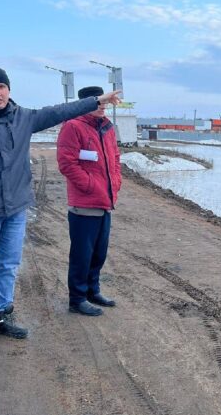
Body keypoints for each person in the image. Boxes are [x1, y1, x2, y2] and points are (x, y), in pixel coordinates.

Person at [0, 66, 121, 350]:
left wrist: (96, 101)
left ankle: (0, 316)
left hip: (16, 208)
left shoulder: (23, 118)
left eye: (2, 87)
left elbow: (59, 111)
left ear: (9, 90)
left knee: (9, 265)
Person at [56, 86, 122, 316]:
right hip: (84, 204)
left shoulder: (108, 128)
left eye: (104, 102)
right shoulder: (72, 127)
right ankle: (77, 298)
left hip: (105, 201)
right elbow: (67, 164)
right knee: (82, 254)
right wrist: (91, 186)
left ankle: (93, 290)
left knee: (98, 252)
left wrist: (115, 183)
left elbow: (115, 158)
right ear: (86, 103)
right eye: (99, 102)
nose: (103, 105)